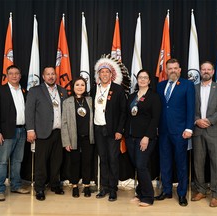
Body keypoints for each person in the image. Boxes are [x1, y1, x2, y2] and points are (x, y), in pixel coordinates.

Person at [156, 58, 195, 206]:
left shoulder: (187, 85)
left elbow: (191, 108)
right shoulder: (160, 86)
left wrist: (189, 128)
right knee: (165, 162)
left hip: (180, 132)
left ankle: (182, 194)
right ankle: (166, 190)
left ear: (180, 70)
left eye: (175, 68)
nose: (172, 70)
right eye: (170, 68)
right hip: (163, 131)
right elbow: (160, 108)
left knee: (181, 164)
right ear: (166, 70)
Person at [25, 66, 67, 201]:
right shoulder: (35, 91)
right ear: (43, 77)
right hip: (42, 132)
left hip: (59, 132)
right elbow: (29, 112)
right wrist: (30, 130)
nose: (51, 76)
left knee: (57, 161)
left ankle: (55, 184)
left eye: (53, 74)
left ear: (56, 75)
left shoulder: (62, 91)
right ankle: (40, 188)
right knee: (41, 163)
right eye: (48, 74)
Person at [191, 61, 217, 207]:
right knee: (198, 162)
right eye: (203, 69)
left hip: (215, 130)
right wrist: (196, 121)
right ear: (200, 71)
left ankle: (216, 194)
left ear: (213, 72)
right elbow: (188, 107)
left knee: (216, 162)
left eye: (209, 69)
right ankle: (201, 190)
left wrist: (210, 120)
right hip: (198, 130)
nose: (206, 71)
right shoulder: (193, 88)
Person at [0, 65, 30, 201]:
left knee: (17, 161)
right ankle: (0, 189)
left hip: (22, 130)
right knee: (2, 162)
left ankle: (15, 185)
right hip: (6, 132)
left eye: (17, 73)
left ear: (20, 76)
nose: (14, 76)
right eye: (11, 73)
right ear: (7, 76)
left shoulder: (24, 91)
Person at [91, 57, 126, 202]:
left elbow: (123, 112)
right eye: (102, 72)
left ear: (111, 75)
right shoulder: (94, 89)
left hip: (112, 130)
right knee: (103, 159)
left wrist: (119, 130)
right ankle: (104, 187)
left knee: (113, 159)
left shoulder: (118, 89)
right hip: (98, 129)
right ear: (98, 75)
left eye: (107, 72)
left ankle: (113, 189)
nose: (104, 74)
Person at [125, 69, 161, 207]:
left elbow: (155, 119)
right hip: (130, 137)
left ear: (149, 81)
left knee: (141, 165)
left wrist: (147, 136)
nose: (142, 80)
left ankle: (148, 197)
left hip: (145, 138)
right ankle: (140, 192)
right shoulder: (132, 96)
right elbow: (128, 116)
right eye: (140, 77)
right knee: (140, 166)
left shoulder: (154, 97)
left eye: (145, 77)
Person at [61, 77, 94, 198]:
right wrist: (66, 141)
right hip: (73, 137)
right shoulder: (67, 102)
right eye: (77, 85)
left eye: (82, 85)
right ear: (73, 87)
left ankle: (86, 185)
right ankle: (74, 185)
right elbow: (64, 123)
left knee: (87, 162)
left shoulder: (90, 100)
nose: (80, 87)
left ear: (85, 87)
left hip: (87, 137)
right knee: (74, 162)